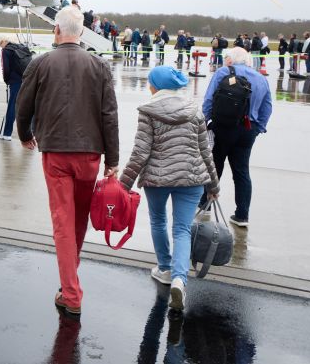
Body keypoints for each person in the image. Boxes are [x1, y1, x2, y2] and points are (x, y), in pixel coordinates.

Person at [15, 6, 119, 317]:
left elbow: (23, 105)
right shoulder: (99, 65)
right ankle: (69, 280)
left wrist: (24, 134)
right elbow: (109, 115)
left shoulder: (41, 63)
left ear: (56, 31)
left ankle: (71, 293)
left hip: (57, 153)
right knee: (76, 221)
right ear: (83, 32)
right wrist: (112, 159)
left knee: (63, 221)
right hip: (89, 153)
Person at [116, 66, 220, 311]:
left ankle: (164, 268)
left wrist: (123, 184)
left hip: (157, 179)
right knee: (182, 229)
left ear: (156, 86)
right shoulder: (194, 111)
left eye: (151, 82)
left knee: (159, 221)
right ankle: (179, 279)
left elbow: (140, 153)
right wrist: (213, 185)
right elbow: (206, 151)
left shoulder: (148, 111)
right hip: (192, 179)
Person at [201, 47, 272, 227]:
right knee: (241, 172)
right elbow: (267, 107)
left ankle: (205, 204)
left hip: (222, 127)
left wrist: (205, 122)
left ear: (231, 60)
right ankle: (242, 215)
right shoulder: (261, 78)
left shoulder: (223, 72)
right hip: (247, 130)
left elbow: (209, 100)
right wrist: (258, 128)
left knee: (214, 166)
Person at [0, 35, 27, 141]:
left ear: (4, 41)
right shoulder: (21, 48)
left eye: (0, 44)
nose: (1, 47)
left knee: (11, 107)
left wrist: (6, 81)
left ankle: (6, 133)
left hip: (14, 82)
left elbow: (6, 68)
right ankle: (28, 133)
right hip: (25, 81)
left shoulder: (6, 51)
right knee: (24, 108)